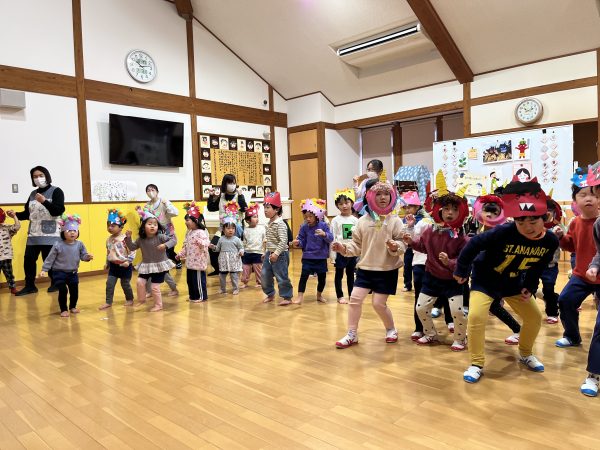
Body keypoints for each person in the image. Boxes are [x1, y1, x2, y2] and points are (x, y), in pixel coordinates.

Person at [454, 176, 558, 383]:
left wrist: (530, 285)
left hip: (513, 283)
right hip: (485, 280)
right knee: (476, 317)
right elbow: (473, 245)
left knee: (534, 317)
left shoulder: (550, 241)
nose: (527, 227)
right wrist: (462, 269)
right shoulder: (503, 232)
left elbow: (538, 266)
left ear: (545, 217)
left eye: (533, 221)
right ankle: (476, 363)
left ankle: (526, 353)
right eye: (521, 221)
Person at [332, 181, 406, 348]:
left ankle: (391, 329)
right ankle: (352, 334)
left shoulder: (395, 220)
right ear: (369, 196)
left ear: (392, 196)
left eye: (386, 194)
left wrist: (395, 246)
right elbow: (356, 245)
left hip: (386, 270)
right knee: (354, 299)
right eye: (378, 194)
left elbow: (403, 242)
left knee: (378, 304)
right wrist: (343, 248)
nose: (383, 197)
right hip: (365, 269)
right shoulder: (362, 221)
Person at [403, 171, 469, 351]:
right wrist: (411, 242)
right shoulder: (430, 230)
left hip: (453, 281)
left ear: (460, 212)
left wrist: (450, 262)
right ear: (440, 210)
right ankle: (430, 333)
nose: (450, 212)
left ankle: (461, 338)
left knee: (457, 312)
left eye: (454, 209)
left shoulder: (461, 237)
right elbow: (423, 247)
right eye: (446, 209)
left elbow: (465, 261)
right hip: (431, 277)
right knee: (421, 308)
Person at [553, 169, 600, 348]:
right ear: (575, 201)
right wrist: (561, 237)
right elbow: (571, 246)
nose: (589, 199)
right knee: (565, 300)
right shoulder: (575, 222)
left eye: (593, 195)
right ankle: (572, 336)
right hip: (581, 275)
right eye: (583, 195)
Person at [468, 190, 523, 345]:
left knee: (499, 304)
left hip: (501, 276)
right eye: (487, 211)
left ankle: (520, 329)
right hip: (481, 277)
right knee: (489, 307)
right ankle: (517, 329)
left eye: (494, 212)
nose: (490, 215)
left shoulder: (504, 230)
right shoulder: (478, 228)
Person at [13, 166, 65, 295]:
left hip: (50, 234)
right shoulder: (32, 194)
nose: (38, 178)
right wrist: (15, 215)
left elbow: (58, 211)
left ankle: (56, 283)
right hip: (34, 234)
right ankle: (30, 286)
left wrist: (44, 201)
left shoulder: (56, 191)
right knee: (29, 260)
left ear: (47, 176)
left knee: (50, 260)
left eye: (41, 175)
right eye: (35, 176)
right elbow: (27, 214)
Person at [40, 214, 93, 317]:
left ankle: (72, 306)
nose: (72, 233)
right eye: (69, 231)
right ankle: (63, 309)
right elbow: (50, 258)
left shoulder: (79, 244)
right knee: (63, 290)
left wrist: (87, 257)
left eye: (75, 231)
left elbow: (83, 255)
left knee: (74, 291)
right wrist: (44, 269)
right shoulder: (58, 244)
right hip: (59, 272)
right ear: (63, 232)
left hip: (73, 273)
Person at [125, 208, 176, 312]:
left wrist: (165, 245)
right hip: (147, 265)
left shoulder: (160, 237)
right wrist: (128, 238)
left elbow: (173, 240)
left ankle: (159, 305)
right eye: (149, 224)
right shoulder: (140, 239)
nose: (153, 226)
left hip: (159, 266)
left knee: (154, 287)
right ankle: (141, 300)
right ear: (143, 226)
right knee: (140, 281)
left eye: (155, 224)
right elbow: (132, 247)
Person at [139, 184, 179, 296]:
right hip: (153, 236)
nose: (150, 192)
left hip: (166, 236)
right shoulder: (147, 206)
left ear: (157, 191)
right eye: (148, 190)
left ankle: (173, 288)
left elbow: (175, 213)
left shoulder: (164, 202)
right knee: (151, 264)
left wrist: (167, 204)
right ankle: (149, 290)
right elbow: (146, 220)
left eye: (152, 189)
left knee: (161, 265)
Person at [292, 198, 333, 304]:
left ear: (316, 215)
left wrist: (324, 234)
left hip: (321, 257)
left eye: (310, 216)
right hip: (308, 257)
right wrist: (298, 243)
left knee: (322, 279)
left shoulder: (323, 225)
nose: (308, 219)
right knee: (303, 276)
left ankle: (319, 295)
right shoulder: (304, 227)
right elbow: (301, 240)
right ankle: (300, 296)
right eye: (306, 217)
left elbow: (330, 238)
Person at [207, 174, 249, 275]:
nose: (232, 185)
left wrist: (241, 196)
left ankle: (238, 268)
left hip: (236, 228)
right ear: (224, 184)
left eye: (233, 183)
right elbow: (211, 208)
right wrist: (211, 196)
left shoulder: (239, 195)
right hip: (222, 228)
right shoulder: (221, 196)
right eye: (229, 183)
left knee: (235, 247)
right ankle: (219, 269)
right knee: (212, 247)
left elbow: (244, 209)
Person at [98, 209, 136, 310]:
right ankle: (108, 302)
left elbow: (132, 251)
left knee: (125, 284)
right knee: (109, 284)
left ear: (121, 227)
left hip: (125, 266)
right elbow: (108, 252)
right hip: (113, 266)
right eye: (108, 225)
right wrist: (107, 263)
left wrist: (128, 261)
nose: (110, 228)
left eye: (113, 226)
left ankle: (130, 299)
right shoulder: (108, 239)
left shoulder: (125, 239)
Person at [261, 192, 294, 306]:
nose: (265, 210)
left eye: (268, 207)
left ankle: (287, 297)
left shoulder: (280, 224)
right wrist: (265, 252)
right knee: (265, 274)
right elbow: (269, 241)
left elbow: (283, 241)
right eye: (264, 207)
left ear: (276, 209)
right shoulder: (269, 223)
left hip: (280, 254)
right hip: (269, 253)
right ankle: (270, 293)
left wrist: (276, 254)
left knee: (281, 276)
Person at [176, 202, 210, 303]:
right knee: (190, 281)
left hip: (198, 263)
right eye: (185, 220)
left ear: (195, 221)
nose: (185, 222)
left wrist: (201, 243)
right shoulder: (189, 233)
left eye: (187, 220)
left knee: (198, 281)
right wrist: (180, 254)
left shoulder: (201, 232)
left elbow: (207, 243)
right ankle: (193, 296)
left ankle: (201, 297)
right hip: (190, 263)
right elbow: (186, 246)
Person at [330, 188, 359, 304]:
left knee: (351, 274)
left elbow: (358, 238)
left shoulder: (355, 220)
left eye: (346, 203)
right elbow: (332, 238)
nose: (344, 206)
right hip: (339, 252)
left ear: (352, 203)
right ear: (337, 206)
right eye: (341, 204)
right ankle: (340, 296)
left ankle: (352, 295)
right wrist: (333, 256)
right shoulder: (335, 220)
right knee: (339, 274)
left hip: (352, 251)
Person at [211, 202, 244, 295]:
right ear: (223, 229)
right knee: (222, 276)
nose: (230, 230)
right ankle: (222, 289)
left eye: (233, 228)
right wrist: (213, 247)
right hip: (223, 260)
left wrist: (241, 251)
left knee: (234, 276)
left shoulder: (236, 239)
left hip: (233, 260)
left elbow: (241, 247)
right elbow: (218, 249)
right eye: (228, 228)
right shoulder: (221, 239)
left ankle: (236, 288)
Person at [540, 194, 563, 324]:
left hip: (550, 266)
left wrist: (560, 235)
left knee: (548, 289)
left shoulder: (557, 227)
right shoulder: (534, 226)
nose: (547, 213)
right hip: (535, 264)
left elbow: (564, 239)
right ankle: (555, 299)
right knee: (529, 288)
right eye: (545, 211)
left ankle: (552, 312)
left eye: (550, 211)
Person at [240, 203, 265, 289]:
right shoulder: (245, 230)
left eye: (257, 216)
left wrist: (264, 251)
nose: (256, 218)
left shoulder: (262, 228)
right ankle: (245, 282)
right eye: (254, 217)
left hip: (258, 252)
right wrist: (242, 250)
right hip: (247, 252)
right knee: (245, 269)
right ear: (248, 220)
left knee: (258, 269)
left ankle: (260, 282)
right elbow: (244, 241)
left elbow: (264, 240)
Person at [0, 208, 21, 294]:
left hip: (6, 255)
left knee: (9, 274)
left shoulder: (6, 227)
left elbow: (17, 227)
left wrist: (14, 216)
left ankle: (12, 288)